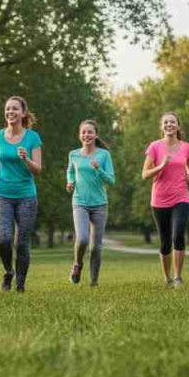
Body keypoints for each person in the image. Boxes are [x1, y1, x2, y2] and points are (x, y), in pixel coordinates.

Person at [0, 96, 43, 292]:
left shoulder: (32, 138)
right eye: (7, 109)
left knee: (21, 243)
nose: (10, 112)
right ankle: (8, 271)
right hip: (1, 194)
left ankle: (20, 284)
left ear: (23, 113)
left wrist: (26, 158)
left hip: (26, 195)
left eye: (14, 109)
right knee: (3, 240)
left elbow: (37, 169)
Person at [142, 112, 189, 287]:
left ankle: (178, 277)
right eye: (166, 122)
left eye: (172, 122)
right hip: (159, 199)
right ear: (161, 126)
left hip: (181, 196)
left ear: (178, 126)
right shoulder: (154, 147)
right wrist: (161, 165)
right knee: (165, 241)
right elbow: (145, 174)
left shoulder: (186, 147)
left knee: (178, 234)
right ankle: (167, 278)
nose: (169, 125)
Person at [66, 120, 115, 287]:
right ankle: (78, 264)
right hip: (79, 202)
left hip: (100, 204)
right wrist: (70, 181)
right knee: (83, 239)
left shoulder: (103, 155)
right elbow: (71, 171)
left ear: (96, 135)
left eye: (90, 132)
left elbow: (111, 180)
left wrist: (98, 169)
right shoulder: (73, 154)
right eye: (83, 132)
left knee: (96, 247)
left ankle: (94, 282)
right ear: (80, 135)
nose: (86, 135)